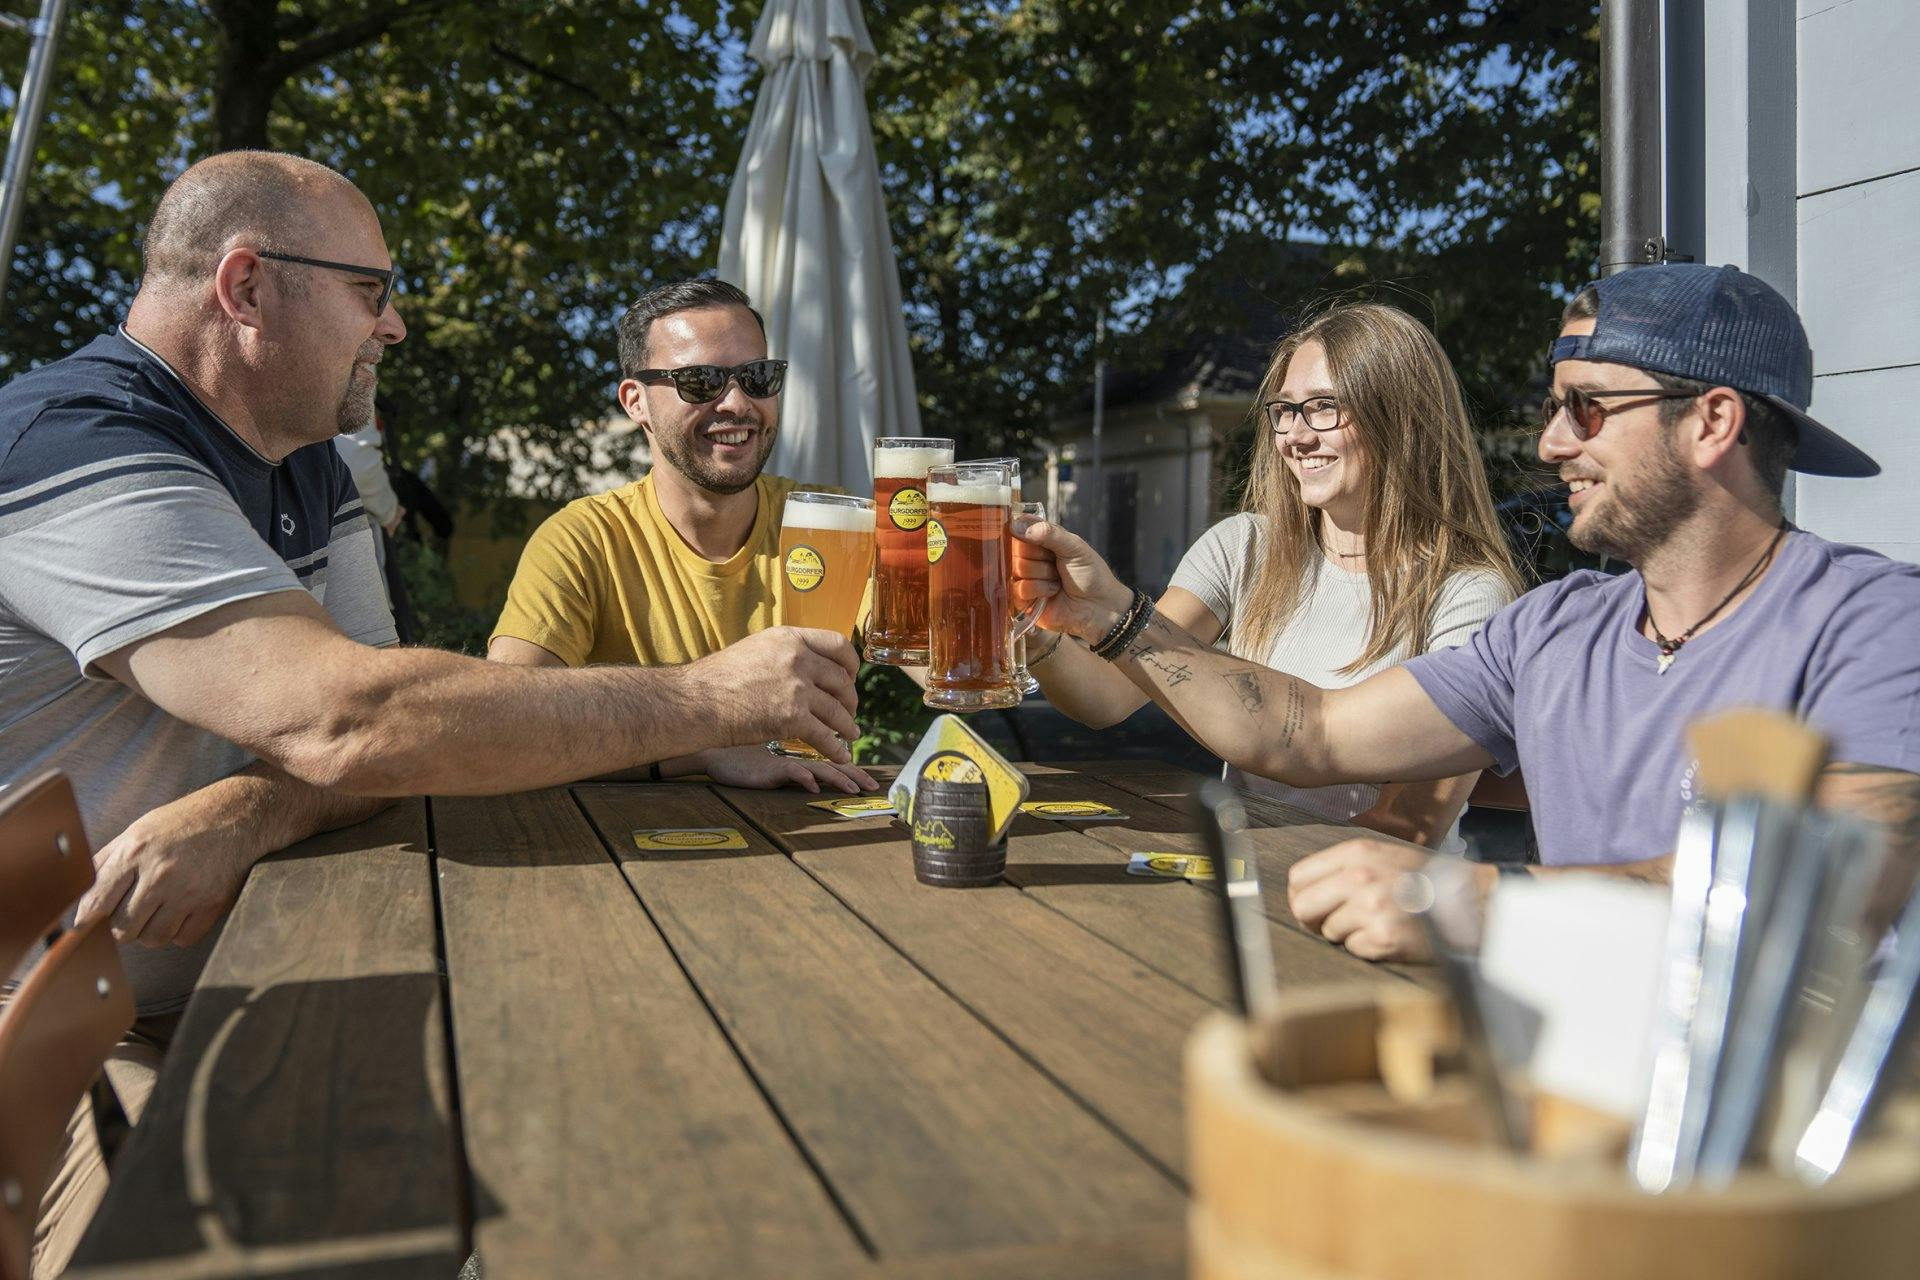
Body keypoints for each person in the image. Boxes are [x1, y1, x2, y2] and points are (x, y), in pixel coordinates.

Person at [0, 152, 860, 1276]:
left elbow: (400, 741)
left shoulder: (309, 459)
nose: (395, 325)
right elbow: (356, 723)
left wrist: (250, 813)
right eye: (372, 290)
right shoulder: (79, 445)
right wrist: (711, 695)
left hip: (270, 970)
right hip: (68, 1015)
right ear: (247, 287)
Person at [1014, 263, 1920, 961]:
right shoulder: (1553, 629)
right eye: (1553, 408)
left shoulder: (1872, 620)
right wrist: (1117, 620)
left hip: (1796, 1135)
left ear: (1713, 422)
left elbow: (1837, 887)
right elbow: (1313, 733)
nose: (1549, 442)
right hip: (1570, 1085)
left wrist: (1482, 902)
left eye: (1588, 408)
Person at [1029, 303, 1520, 851]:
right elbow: (1107, 695)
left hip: (1381, 902)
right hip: (1250, 874)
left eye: (1324, 407)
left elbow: (1405, 828)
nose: (1295, 435)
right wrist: (1036, 631)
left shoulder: (1469, 595)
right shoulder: (1245, 547)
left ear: (1404, 418)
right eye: (1285, 410)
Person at [487, 277, 874, 795]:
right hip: (627, 855)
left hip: (823, 837)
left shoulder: (830, 523)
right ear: (636, 401)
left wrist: (1014, 614)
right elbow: (506, 729)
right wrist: (703, 751)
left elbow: (939, 657)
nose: (737, 402)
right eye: (701, 381)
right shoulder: (584, 539)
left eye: (757, 376)